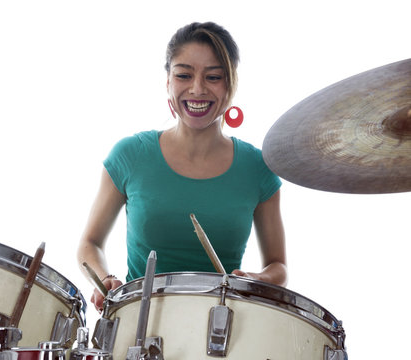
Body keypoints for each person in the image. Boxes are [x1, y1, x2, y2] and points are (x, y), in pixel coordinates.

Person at [77, 22, 287, 312]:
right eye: (183, 75)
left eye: (213, 76)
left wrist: (257, 279)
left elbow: (278, 266)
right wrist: (105, 279)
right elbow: (90, 243)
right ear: (168, 81)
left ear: (231, 84)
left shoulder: (258, 168)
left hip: (221, 330)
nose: (197, 89)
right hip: (136, 326)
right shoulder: (130, 155)